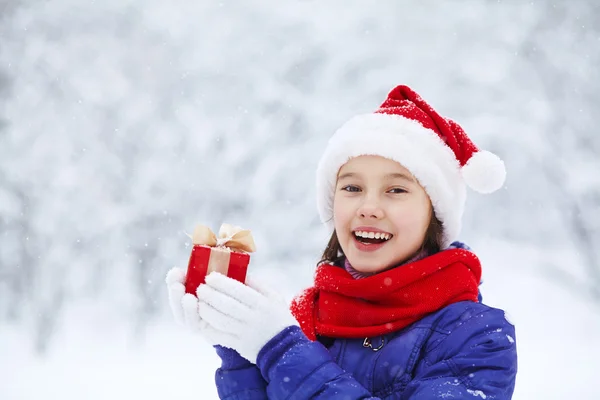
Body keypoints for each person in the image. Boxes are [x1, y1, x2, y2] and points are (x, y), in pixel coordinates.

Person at [166, 84, 518, 399]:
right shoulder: (305, 318)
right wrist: (238, 347)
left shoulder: (478, 338)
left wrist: (279, 350)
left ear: (436, 216)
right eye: (352, 188)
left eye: (395, 190)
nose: (368, 207)